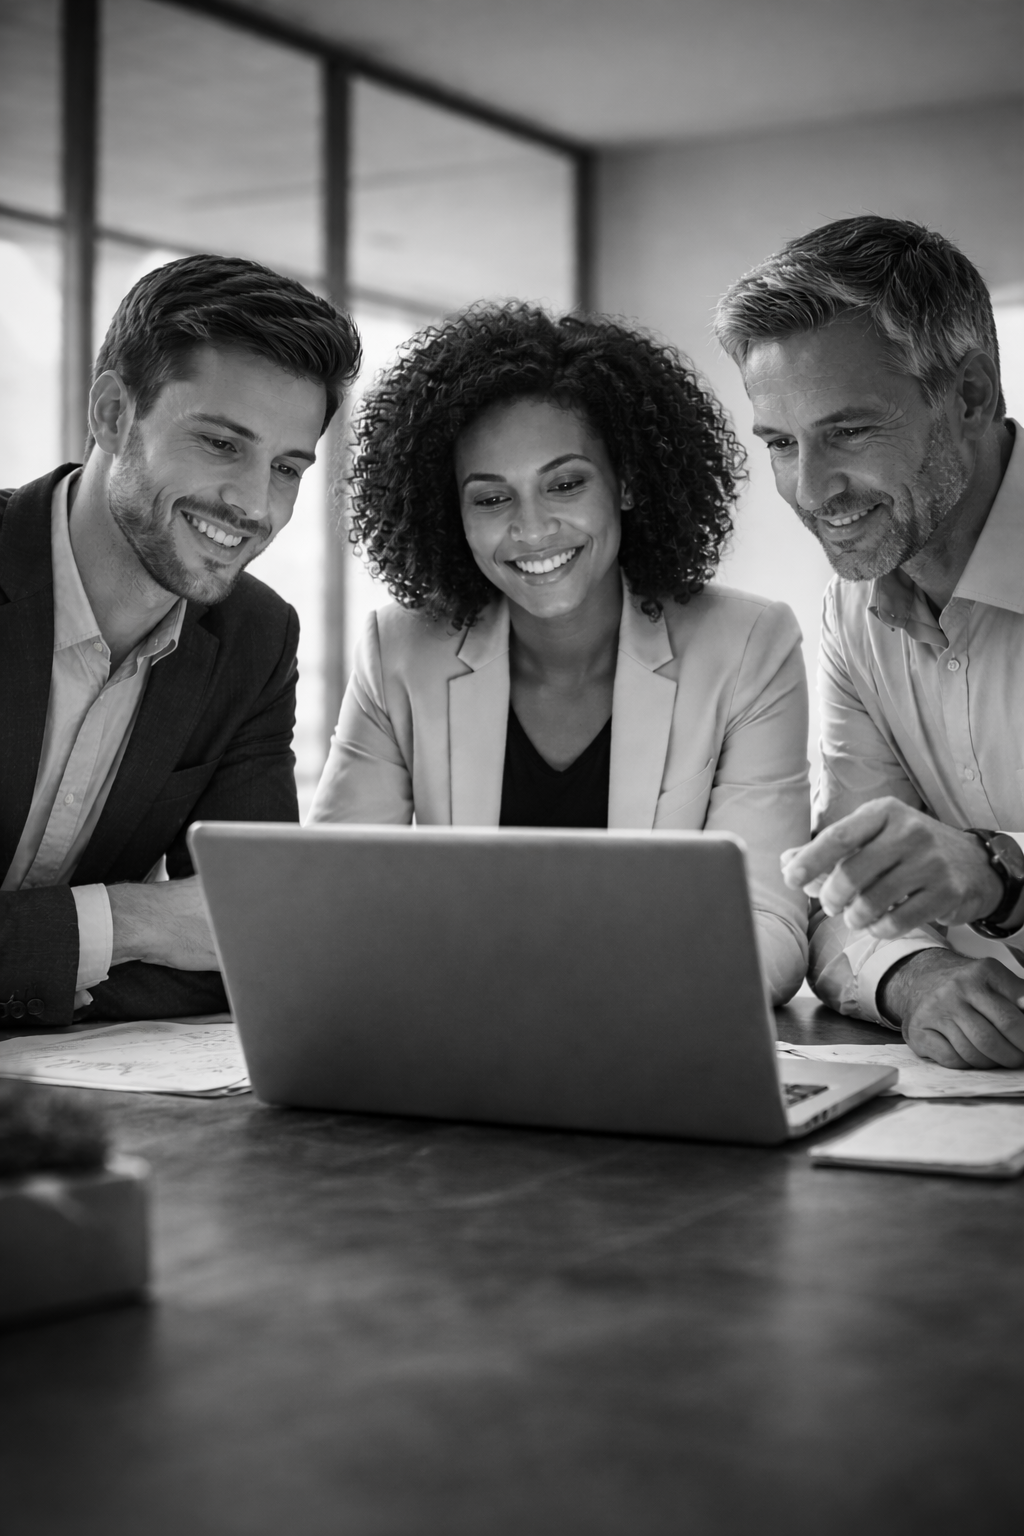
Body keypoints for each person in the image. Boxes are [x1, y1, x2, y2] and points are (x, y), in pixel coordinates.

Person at [307, 304, 810, 1004]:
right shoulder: (398, 653)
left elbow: (771, 925)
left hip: (654, 1041)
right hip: (463, 1052)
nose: (532, 528)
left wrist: (581, 998)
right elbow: (338, 902)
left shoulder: (751, 648)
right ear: (451, 511)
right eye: (490, 498)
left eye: (566, 483)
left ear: (626, 482)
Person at [1, 254, 361, 1027]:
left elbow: (255, 948)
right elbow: (200, 931)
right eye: (222, 444)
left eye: (288, 468)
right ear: (111, 415)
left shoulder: (255, 640)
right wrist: (135, 923)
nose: (253, 504)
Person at [715, 214, 1024, 1068]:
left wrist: (1001, 877)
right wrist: (918, 976)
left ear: (968, 395)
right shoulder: (854, 616)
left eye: (848, 432)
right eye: (781, 444)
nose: (812, 491)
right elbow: (844, 896)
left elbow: (977, 876)